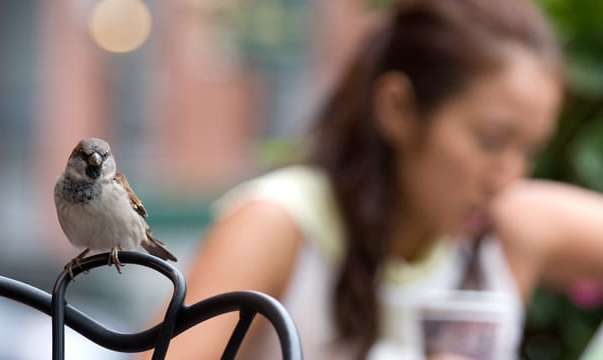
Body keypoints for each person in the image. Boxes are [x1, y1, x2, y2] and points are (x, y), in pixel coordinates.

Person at [144, 0, 603, 358]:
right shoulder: (281, 226)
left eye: (529, 149)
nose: (509, 174)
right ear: (398, 108)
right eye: (490, 141)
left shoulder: (511, 226)